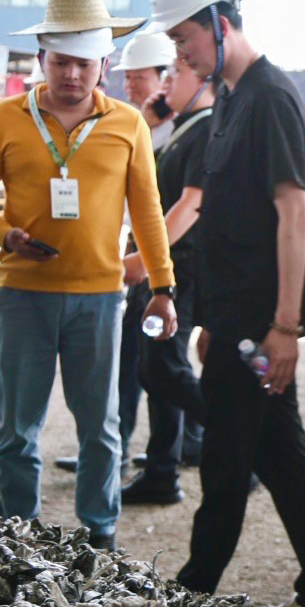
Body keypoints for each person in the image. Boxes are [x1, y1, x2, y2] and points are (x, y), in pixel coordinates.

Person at [148, 0, 305, 607]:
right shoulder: (230, 97)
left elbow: (294, 213)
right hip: (234, 317)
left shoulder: (270, 97)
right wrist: (210, 316)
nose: (180, 53)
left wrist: (285, 327)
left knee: (227, 462)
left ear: (219, 22)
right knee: (279, 455)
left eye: (184, 38)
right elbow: (227, 214)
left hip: (260, 325)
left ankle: (192, 591)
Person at [0, 0, 176, 551]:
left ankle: (99, 537)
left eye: (83, 63)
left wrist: (163, 288)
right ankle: (17, 536)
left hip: (99, 298)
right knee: (17, 429)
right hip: (24, 294)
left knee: (101, 429)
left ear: (104, 64)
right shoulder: (4, 118)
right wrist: (5, 235)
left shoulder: (128, 124)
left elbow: (148, 212)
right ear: (41, 59)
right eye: (60, 62)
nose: (71, 75)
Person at [52, 29, 178, 478]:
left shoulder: (181, 130)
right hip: (133, 253)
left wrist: (148, 265)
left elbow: (167, 206)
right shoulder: (137, 122)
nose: (131, 85)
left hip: (160, 261)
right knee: (138, 363)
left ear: (166, 76)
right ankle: (127, 449)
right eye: (128, 77)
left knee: (162, 367)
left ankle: (168, 459)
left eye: (140, 77)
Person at [120, 54, 214, 506]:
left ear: (203, 78)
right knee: (155, 368)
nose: (166, 81)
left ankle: (240, 444)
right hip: (163, 265)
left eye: (176, 72)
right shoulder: (181, 128)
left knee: (164, 368)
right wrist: (147, 121)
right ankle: (162, 470)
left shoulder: (207, 128)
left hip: (179, 269)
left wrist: (143, 261)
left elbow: (191, 203)